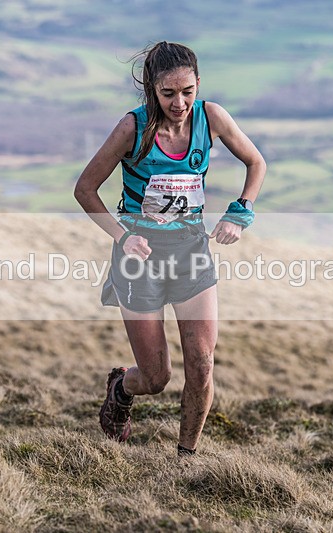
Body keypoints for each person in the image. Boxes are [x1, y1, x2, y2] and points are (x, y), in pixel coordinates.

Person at [74, 41, 266, 456]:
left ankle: (186, 458)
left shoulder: (211, 117)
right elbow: (85, 189)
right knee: (156, 377)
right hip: (138, 258)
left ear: (198, 85)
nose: (179, 103)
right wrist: (123, 236)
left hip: (191, 250)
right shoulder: (132, 129)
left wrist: (240, 212)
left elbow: (256, 163)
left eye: (187, 92)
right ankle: (122, 387)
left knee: (201, 363)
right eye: (168, 94)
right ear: (151, 89)